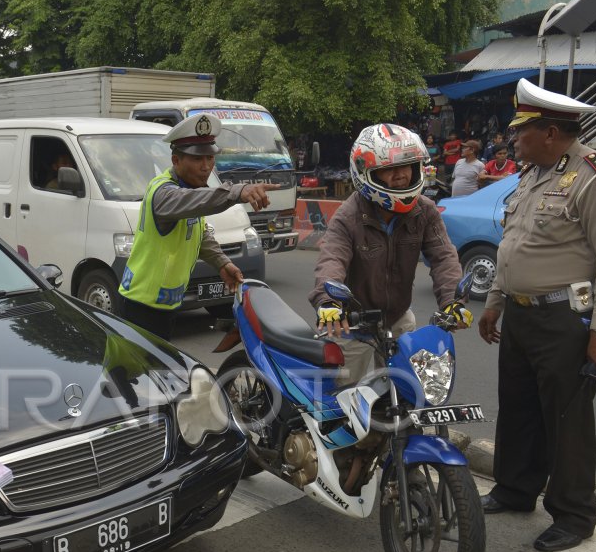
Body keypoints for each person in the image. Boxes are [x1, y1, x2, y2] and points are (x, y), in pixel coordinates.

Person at [477, 79, 596, 552]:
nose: (513, 139)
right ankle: (515, 488)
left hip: (565, 317)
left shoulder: (595, 177)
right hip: (523, 316)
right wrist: (495, 301)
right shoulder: (533, 175)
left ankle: (574, 514)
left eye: (521, 131)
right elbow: (515, 246)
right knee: (518, 404)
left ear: (548, 132)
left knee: (565, 417)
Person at [310, 123, 468, 384]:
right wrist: (329, 301)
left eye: (406, 166)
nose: (401, 175)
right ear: (366, 173)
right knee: (341, 401)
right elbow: (332, 258)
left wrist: (452, 300)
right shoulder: (348, 216)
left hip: (398, 317)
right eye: (389, 169)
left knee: (410, 394)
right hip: (351, 322)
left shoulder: (425, 211)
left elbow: (444, 258)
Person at [116, 113, 278, 340]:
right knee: (132, 374)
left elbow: (198, 233)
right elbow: (200, 200)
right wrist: (238, 191)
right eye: (197, 159)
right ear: (176, 161)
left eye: (210, 158)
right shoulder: (164, 193)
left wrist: (222, 263)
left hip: (165, 308)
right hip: (139, 308)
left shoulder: (190, 190)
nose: (206, 167)